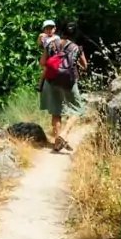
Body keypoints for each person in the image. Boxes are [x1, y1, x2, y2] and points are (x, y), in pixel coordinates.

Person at [40, 22, 86, 152]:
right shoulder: (77, 48)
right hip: (69, 81)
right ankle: (63, 134)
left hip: (51, 81)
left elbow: (42, 62)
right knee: (78, 109)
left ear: (61, 31)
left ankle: (56, 143)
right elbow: (85, 66)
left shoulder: (51, 44)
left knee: (56, 111)